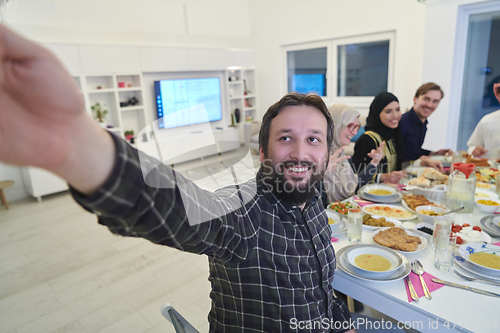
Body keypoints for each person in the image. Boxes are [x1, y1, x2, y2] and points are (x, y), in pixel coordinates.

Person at [0, 24, 407, 333]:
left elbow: (322, 293)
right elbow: (177, 207)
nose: (300, 152)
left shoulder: (314, 201)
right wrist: (74, 144)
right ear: (263, 152)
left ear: (326, 150)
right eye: (286, 138)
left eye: (313, 139)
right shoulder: (242, 214)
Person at [321, 104, 385, 204]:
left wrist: (374, 163)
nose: (355, 132)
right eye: (350, 126)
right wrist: (320, 173)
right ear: (335, 125)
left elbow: (355, 185)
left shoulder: (339, 151)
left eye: (357, 126)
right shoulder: (321, 154)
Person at [351, 92, 408, 184]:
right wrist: (383, 177)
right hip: (370, 194)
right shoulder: (367, 140)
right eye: (388, 111)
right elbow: (356, 177)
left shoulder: (395, 134)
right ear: (377, 114)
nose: (395, 115)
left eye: (397, 109)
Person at [399, 82, 452, 171]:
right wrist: (422, 161)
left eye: (435, 101)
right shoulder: (402, 123)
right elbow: (399, 160)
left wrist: (434, 153)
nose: (429, 105)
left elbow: (413, 151)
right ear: (415, 99)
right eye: (426, 99)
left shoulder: (422, 122)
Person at [467, 82, 500, 159]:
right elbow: (472, 147)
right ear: (498, 96)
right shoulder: (487, 121)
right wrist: (475, 151)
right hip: (492, 170)